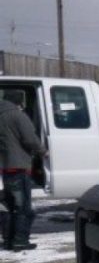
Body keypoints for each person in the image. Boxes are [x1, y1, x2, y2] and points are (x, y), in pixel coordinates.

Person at [0, 90, 47, 251]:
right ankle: (20, 240)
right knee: (23, 208)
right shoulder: (18, 116)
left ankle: (8, 240)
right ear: (18, 102)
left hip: (5, 169)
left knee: (8, 206)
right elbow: (30, 139)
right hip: (19, 168)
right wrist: (43, 151)